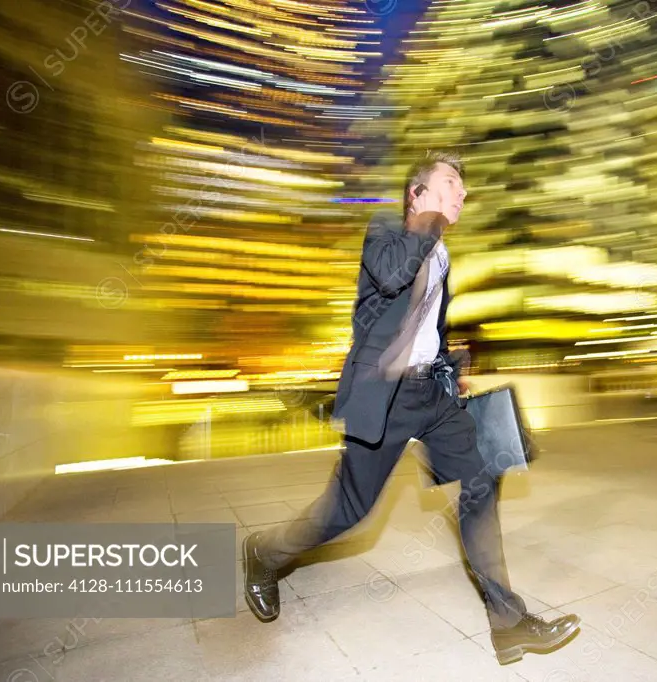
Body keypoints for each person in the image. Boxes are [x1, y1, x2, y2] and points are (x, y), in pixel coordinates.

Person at [241, 150, 581, 665]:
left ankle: (509, 624)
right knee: (347, 513)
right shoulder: (386, 231)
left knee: (483, 477)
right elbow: (392, 277)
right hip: (384, 396)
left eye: (463, 189)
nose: (460, 194)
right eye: (449, 184)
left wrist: (451, 358)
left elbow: (426, 323)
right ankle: (264, 553)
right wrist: (430, 219)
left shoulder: (442, 251)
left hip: (431, 395)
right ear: (415, 195)